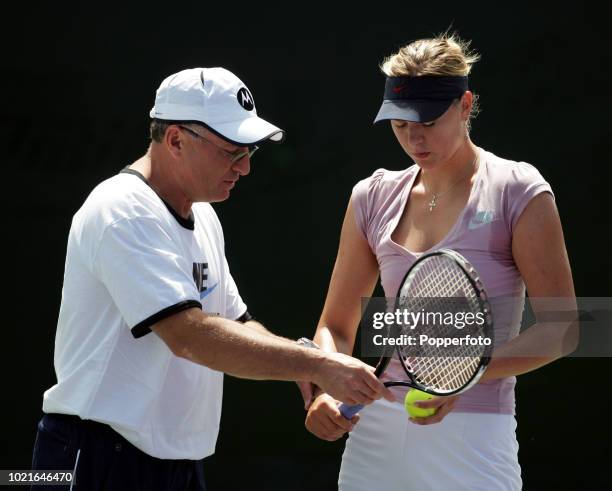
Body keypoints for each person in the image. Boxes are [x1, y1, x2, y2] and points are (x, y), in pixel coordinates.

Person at [31, 67, 393, 491]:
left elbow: (235, 324)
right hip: (92, 458)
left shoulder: (204, 215)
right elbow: (190, 336)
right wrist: (317, 363)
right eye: (230, 151)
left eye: (250, 152)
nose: (245, 168)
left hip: (176, 464)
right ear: (176, 140)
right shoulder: (122, 209)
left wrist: (301, 359)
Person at [302, 34, 577, 490]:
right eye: (399, 123)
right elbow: (336, 325)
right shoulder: (370, 197)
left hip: (475, 439)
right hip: (374, 438)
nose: (414, 137)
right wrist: (326, 382)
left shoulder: (518, 190)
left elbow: (564, 328)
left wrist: (460, 377)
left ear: (465, 104)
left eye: (428, 120)